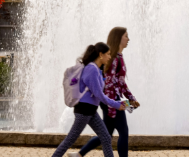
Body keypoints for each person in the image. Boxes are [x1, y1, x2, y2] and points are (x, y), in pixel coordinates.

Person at [73, 27, 139, 157]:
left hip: (113, 99)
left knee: (106, 133)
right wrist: (114, 106)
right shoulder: (114, 58)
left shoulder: (118, 57)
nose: (128, 39)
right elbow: (109, 83)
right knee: (123, 132)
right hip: (111, 100)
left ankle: (80, 154)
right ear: (119, 38)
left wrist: (131, 99)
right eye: (126, 36)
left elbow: (120, 82)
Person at [52, 43, 125, 157]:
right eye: (108, 54)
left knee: (105, 137)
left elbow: (99, 91)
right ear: (101, 55)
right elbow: (99, 94)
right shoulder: (91, 69)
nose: (110, 57)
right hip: (84, 111)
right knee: (70, 140)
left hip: (91, 111)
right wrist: (116, 104)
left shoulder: (97, 69)